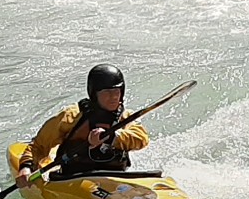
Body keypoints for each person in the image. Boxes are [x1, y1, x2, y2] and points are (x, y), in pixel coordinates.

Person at [16, 64, 150, 186]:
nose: (114, 97)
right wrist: (26, 167)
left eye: (116, 91)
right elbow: (39, 145)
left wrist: (111, 137)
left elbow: (141, 139)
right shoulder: (72, 116)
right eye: (107, 92)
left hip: (114, 179)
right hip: (72, 179)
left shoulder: (125, 117)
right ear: (94, 94)